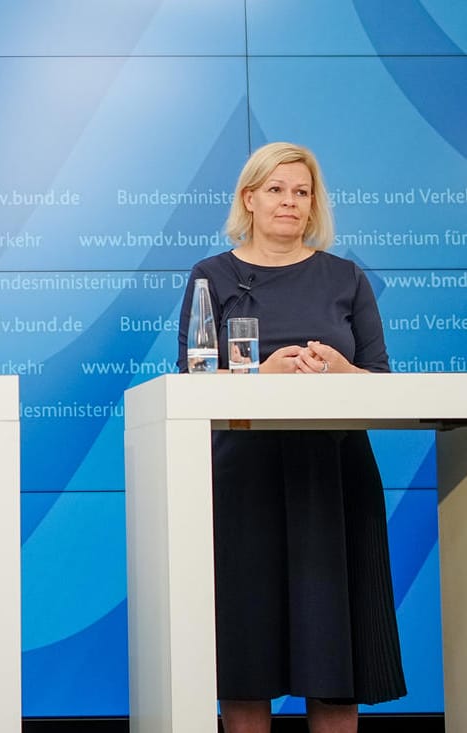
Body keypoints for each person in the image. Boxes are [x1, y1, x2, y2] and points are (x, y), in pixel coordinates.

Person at [176, 142, 405, 733]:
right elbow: (192, 380)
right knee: (244, 653)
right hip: (243, 478)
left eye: (301, 192)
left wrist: (341, 371)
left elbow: (379, 380)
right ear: (249, 199)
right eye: (276, 189)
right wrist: (262, 374)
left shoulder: (346, 277)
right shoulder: (212, 275)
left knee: (334, 652)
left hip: (332, 475)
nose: (290, 202)